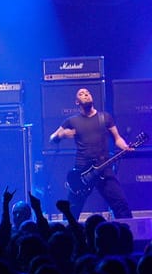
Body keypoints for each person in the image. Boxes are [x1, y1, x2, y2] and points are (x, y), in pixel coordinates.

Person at [48, 87, 134, 220]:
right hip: (82, 171)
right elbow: (52, 138)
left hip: (103, 168)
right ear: (77, 102)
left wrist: (125, 147)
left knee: (120, 205)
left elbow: (117, 139)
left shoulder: (104, 117)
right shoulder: (72, 121)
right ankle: (69, 238)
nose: (86, 95)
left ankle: (126, 235)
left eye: (88, 93)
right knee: (71, 211)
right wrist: (62, 135)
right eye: (81, 94)